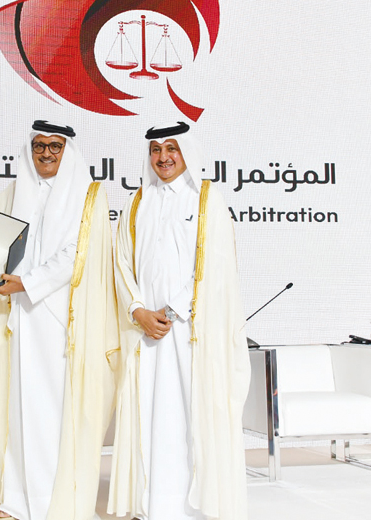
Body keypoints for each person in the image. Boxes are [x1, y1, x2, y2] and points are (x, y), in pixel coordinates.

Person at [0, 120, 117, 520]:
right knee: (19, 410)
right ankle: (17, 501)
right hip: (19, 317)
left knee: (52, 412)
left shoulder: (89, 195)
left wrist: (26, 284)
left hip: (63, 319)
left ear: (68, 151)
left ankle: (53, 505)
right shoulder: (18, 189)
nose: (46, 154)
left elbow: (75, 256)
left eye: (55, 147)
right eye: (39, 146)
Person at [107, 121, 250, 520]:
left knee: (191, 419)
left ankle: (194, 511)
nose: (163, 157)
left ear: (187, 152)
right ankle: (157, 508)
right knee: (151, 419)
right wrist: (137, 309)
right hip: (146, 333)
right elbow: (121, 263)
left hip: (190, 335)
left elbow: (214, 267)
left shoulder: (207, 200)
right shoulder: (138, 202)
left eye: (171, 148)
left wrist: (168, 312)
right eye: (155, 150)